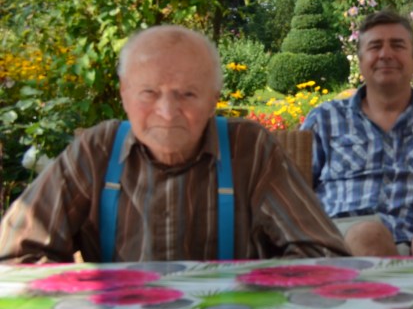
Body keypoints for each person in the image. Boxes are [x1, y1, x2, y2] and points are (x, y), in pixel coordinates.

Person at [0, 26, 348, 262]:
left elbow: (322, 254)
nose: (167, 112)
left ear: (214, 100)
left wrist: (260, 299)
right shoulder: (97, 150)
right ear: (124, 94)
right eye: (149, 93)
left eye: (188, 94)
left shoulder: (249, 148)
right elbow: (15, 254)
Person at [302, 10, 413, 256]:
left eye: (397, 45)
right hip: (336, 245)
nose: (386, 54)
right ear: (360, 62)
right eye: (375, 46)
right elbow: (294, 194)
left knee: (372, 238)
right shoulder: (325, 119)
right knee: (369, 235)